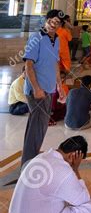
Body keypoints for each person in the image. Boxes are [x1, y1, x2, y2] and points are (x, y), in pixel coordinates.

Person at [21, 9, 65, 167]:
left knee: (37, 126)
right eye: (52, 21)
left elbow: (55, 63)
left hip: (49, 89)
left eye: (58, 23)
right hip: (37, 91)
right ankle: (27, 165)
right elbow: (28, 64)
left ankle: (28, 159)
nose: (54, 24)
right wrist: (37, 88)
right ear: (46, 21)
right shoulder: (36, 37)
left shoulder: (57, 39)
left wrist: (59, 86)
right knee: (38, 128)